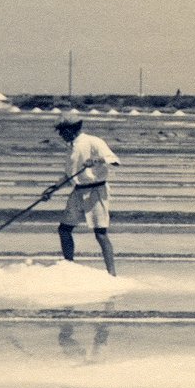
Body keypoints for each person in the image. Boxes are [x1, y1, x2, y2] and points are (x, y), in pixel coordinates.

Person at [43, 113, 120, 275]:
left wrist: (97, 160)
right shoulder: (72, 147)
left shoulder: (93, 141)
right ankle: (68, 266)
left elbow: (114, 160)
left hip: (96, 192)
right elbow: (69, 175)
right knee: (64, 229)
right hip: (78, 191)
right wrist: (53, 189)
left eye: (62, 131)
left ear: (70, 130)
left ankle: (112, 274)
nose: (60, 135)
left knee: (100, 234)